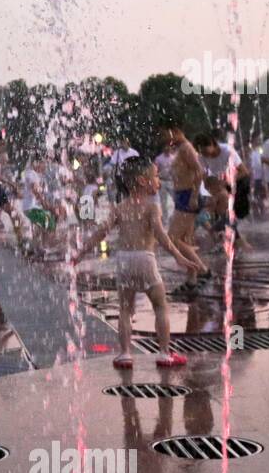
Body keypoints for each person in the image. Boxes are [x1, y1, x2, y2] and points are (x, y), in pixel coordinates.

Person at [73, 157, 206, 369]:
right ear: (144, 182)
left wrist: (80, 253)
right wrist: (179, 256)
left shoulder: (120, 207)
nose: (159, 181)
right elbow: (161, 236)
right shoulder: (152, 207)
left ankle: (125, 354)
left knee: (126, 309)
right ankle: (164, 353)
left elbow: (101, 232)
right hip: (145, 258)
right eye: (155, 176)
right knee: (160, 306)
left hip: (124, 260)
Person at [160, 120, 207, 292]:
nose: (165, 138)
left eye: (166, 133)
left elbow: (199, 171)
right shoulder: (180, 149)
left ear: (176, 130)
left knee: (172, 238)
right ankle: (192, 280)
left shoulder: (186, 148)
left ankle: (202, 270)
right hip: (182, 195)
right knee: (185, 240)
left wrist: (194, 196)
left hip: (189, 196)